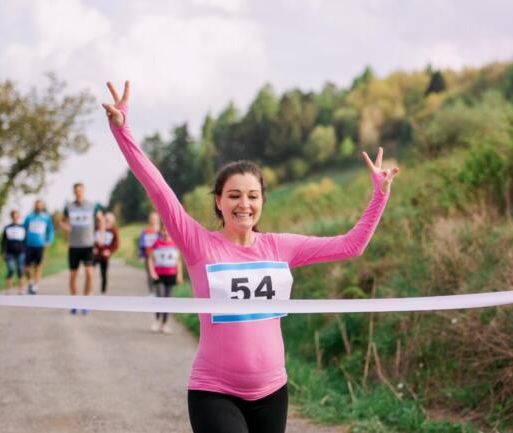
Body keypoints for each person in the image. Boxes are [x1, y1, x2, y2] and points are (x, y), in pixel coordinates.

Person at [103, 81, 398, 433]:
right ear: (218, 200)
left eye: (253, 196)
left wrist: (379, 195)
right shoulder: (199, 245)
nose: (244, 204)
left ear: (262, 201)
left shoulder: (281, 247)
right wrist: (123, 130)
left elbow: (352, 246)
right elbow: (157, 187)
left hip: (273, 391)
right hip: (214, 392)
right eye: (234, 195)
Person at [60, 183, 102, 315]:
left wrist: (100, 235)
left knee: (90, 274)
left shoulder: (92, 206)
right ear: (74, 192)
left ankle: (85, 301)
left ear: (84, 191)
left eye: (80, 190)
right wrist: (65, 227)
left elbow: (101, 220)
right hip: (74, 246)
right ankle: (74, 302)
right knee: (73, 276)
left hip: (88, 245)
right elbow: (61, 221)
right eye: (76, 191)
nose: (78, 193)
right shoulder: (69, 207)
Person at [146, 220, 183, 333]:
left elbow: (178, 261)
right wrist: (152, 272)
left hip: (171, 275)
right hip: (159, 275)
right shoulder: (156, 244)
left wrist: (179, 274)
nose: (166, 232)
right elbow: (150, 259)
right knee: (160, 297)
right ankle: (157, 321)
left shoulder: (175, 245)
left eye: (168, 230)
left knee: (168, 300)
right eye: (164, 229)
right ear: (161, 230)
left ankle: (164, 324)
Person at [23, 199, 55, 294]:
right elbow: (23, 229)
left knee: (38, 266)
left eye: (40, 205)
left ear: (42, 206)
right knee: (26, 267)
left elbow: (50, 231)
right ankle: (31, 282)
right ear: (34, 206)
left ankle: (35, 286)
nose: (38, 207)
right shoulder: (29, 217)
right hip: (29, 245)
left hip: (40, 245)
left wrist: (48, 241)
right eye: (37, 205)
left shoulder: (46, 218)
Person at [0, 209, 26, 295]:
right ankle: (8, 290)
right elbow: (3, 241)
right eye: (13, 216)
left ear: (18, 217)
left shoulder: (23, 227)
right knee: (10, 269)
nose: (15, 217)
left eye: (16, 215)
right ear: (11, 217)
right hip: (9, 252)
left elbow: (25, 241)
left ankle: (21, 289)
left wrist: (26, 251)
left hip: (21, 251)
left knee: (20, 270)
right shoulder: (7, 228)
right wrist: (2, 252)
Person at [94, 212, 120, 294]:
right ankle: (90, 288)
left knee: (104, 273)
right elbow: (91, 238)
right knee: (90, 272)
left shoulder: (113, 231)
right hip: (95, 255)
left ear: (112, 222)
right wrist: (93, 247)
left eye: (109, 221)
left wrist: (109, 251)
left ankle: (103, 290)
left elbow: (116, 244)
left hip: (105, 256)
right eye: (106, 220)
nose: (108, 222)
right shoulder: (97, 228)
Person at [138, 212, 161, 294]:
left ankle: (159, 293)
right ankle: (152, 292)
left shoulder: (161, 231)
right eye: (151, 218)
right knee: (149, 275)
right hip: (148, 256)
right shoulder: (145, 231)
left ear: (158, 219)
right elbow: (141, 244)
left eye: (155, 218)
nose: (153, 220)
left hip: (159, 257)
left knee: (159, 275)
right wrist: (141, 255)